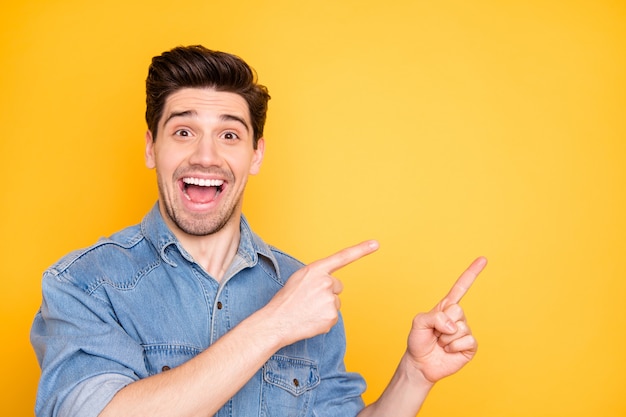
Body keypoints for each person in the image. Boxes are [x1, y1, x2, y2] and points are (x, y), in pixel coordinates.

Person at [31, 45, 487, 417]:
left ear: (256, 155)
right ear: (152, 148)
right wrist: (275, 324)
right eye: (184, 132)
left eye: (229, 135)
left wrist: (415, 375)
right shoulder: (83, 284)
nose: (206, 156)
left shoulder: (304, 292)